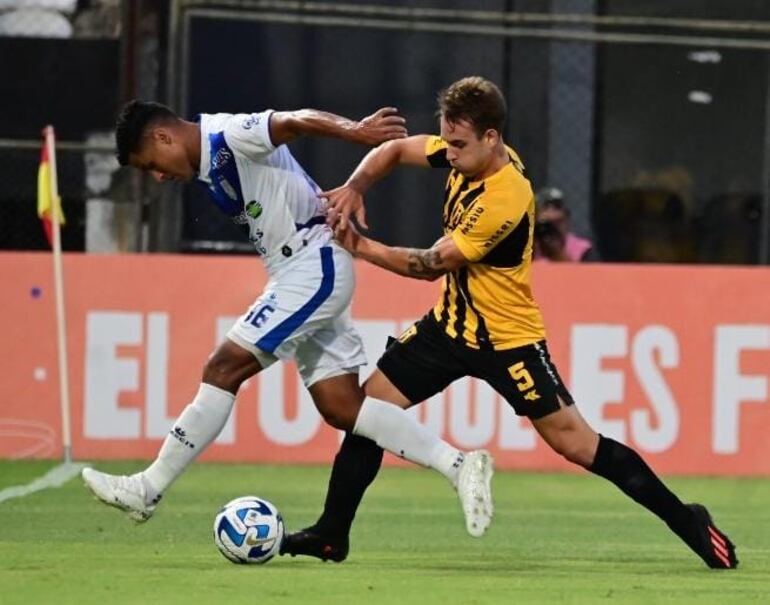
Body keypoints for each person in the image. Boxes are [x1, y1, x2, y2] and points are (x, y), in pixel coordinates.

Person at [291, 76, 737, 570]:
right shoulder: (466, 151)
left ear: (491, 138)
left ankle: (687, 519)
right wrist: (355, 186)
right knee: (369, 415)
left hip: (508, 341)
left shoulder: (506, 196)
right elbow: (396, 150)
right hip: (448, 329)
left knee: (579, 445)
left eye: (459, 145)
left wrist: (358, 245)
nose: (450, 154)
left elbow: (430, 265)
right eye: (447, 141)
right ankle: (332, 534)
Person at [81, 100, 494, 556]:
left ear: (163, 138)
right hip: (303, 268)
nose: (158, 176)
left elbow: (292, 122)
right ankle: (459, 465)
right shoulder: (206, 162)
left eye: (151, 165)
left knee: (223, 369)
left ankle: (148, 487)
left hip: (311, 266)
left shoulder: (227, 135)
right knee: (342, 407)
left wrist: (354, 130)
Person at [533, 187, 598, 262]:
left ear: (567, 220)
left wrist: (556, 253)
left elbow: (588, 273)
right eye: (545, 225)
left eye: (557, 223)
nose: (550, 231)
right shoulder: (527, 248)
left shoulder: (582, 250)